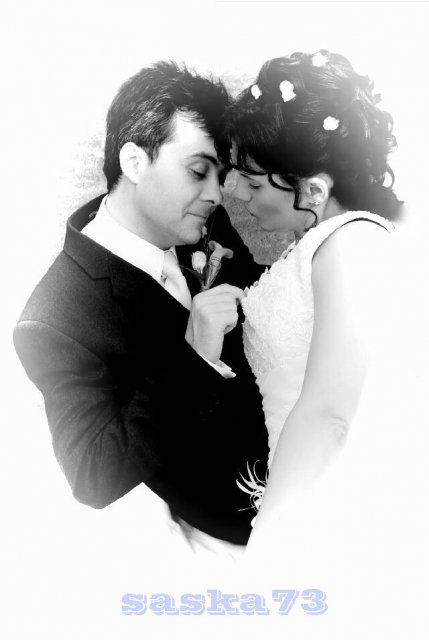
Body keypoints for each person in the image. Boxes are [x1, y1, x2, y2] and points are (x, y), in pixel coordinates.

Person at [13, 61, 268, 553]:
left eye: (219, 175)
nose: (216, 195)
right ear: (134, 162)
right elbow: (92, 475)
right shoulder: (52, 321)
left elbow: (255, 294)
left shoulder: (198, 222)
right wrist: (194, 358)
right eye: (198, 171)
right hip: (235, 523)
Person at [221, 50, 405, 546]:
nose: (238, 193)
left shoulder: (353, 242)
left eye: (253, 182)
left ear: (314, 191)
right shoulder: (316, 248)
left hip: (321, 499)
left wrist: (271, 536)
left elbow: (329, 415)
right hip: (299, 483)